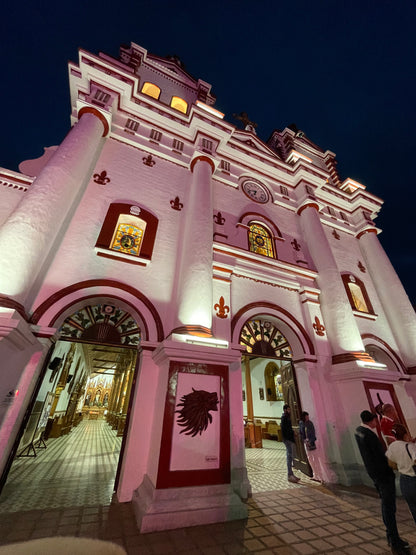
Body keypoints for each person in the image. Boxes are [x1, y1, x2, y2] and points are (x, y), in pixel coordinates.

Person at [355, 410, 410, 553]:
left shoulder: (358, 431)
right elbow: (380, 455)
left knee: (386, 505)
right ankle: (394, 540)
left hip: (374, 474)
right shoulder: (369, 435)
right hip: (383, 475)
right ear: (372, 420)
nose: (377, 423)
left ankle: (391, 536)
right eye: (376, 420)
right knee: (389, 507)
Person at [386, 423, 416, 524]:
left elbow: (391, 464)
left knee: (413, 508)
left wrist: (402, 465)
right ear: (405, 434)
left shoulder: (392, 446)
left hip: (404, 482)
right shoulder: (410, 447)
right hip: (414, 479)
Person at [299, 411, 321, 482]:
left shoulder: (310, 423)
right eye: (306, 416)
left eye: (308, 416)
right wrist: (304, 440)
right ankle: (314, 474)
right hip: (306, 443)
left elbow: (313, 433)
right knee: (310, 459)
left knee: (315, 458)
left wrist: (310, 441)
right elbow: (301, 433)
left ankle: (319, 475)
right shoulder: (301, 423)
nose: (307, 418)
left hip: (311, 442)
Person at [281, 404, 300, 483]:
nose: (290, 411)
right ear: (285, 410)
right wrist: (293, 433)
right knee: (289, 456)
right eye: (288, 409)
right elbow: (286, 430)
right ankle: (290, 475)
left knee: (290, 456)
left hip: (289, 439)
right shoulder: (284, 418)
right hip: (288, 439)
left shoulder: (287, 418)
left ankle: (291, 474)